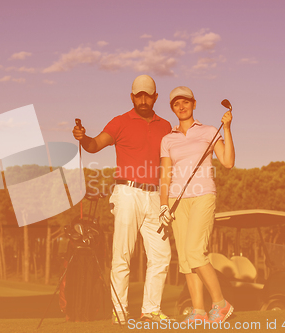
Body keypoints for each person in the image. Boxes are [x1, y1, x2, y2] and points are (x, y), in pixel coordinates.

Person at [72, 75, 173, 325]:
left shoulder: (165, 126)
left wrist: (165, 200)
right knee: (122, 255)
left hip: (155, 196)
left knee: (162, 255)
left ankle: (150, 310)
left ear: (155, 97)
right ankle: (120, 312)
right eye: (138, 95)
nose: (143, 99)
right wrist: (83, 137)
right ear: (132, 97)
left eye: (147, 95)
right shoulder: (120, 122)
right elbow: (94, 145)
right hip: (127, 193)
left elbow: (170, 162)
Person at [159, 86, 235, 323]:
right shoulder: (168, 139)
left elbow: (228, 162)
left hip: (203, 195)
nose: (181, 107)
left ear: (194, 104)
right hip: (176, 201)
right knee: (185, 259)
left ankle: (221, 304)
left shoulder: (210, 131)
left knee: (195, 251)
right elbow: (165, 175)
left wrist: (227, 128)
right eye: (176, 104)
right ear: (172, 108)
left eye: (185, 102)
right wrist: (163, 205)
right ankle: (199, 311)